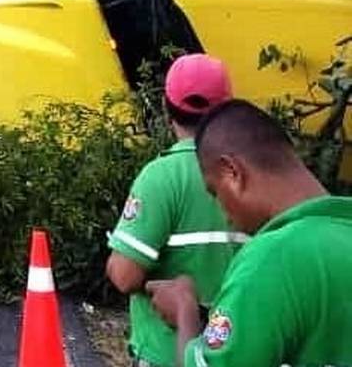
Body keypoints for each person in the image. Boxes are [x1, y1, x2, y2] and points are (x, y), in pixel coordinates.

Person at [147, 100, 352, 366]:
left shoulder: (275, 258)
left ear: (232, 172)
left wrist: (184, 312)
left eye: (215, 193)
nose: (226, 217)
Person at [106, 54, 247, 366]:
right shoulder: (253, 172)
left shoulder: (161, 177)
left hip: (168, 353)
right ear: (226, 110)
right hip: (239, 353)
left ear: (165, 107)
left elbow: (125, 276)